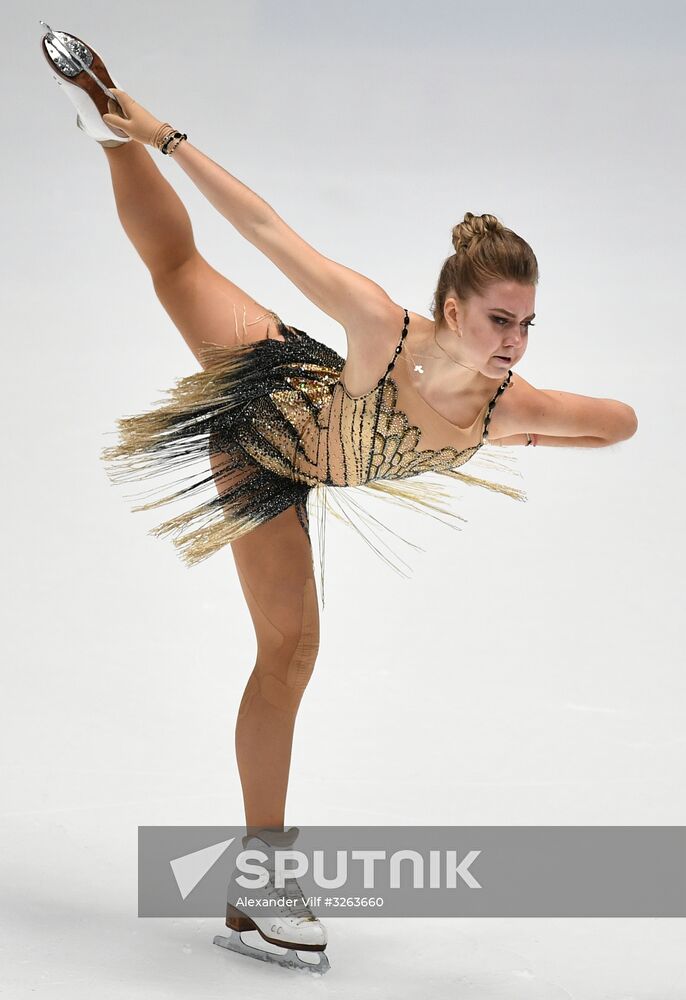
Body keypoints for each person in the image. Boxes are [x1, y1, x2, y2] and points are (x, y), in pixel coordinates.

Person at [40, 24, 638, 976]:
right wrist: (160, 135)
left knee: (181, 279)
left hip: (316, 432)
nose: (516, 340)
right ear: (451, 312)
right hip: (266, 429)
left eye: (527, 323)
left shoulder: (503, 404)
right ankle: (108, 127)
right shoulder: (381, 325)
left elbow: (619, 423)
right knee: (293, 646)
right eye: (498, 320)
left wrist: (528, 423)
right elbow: (269, 228)